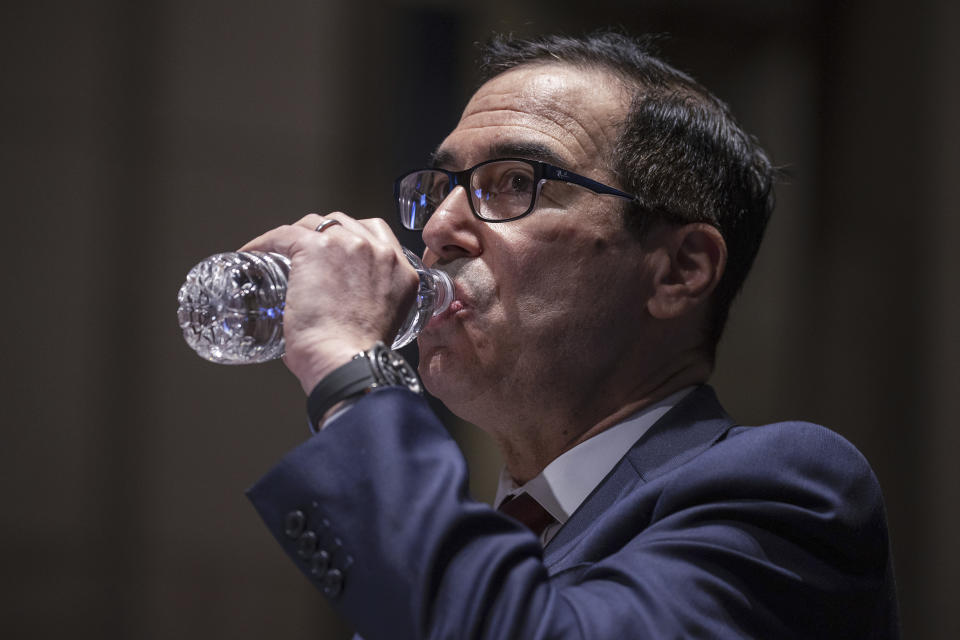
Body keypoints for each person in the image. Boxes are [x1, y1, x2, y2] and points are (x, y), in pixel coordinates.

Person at [240, 31, 899, 639]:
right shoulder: (462, 548)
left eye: (515, 184)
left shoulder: (788, 492)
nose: (438, 227)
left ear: (680, 270)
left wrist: (350, 370)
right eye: (441, 188)